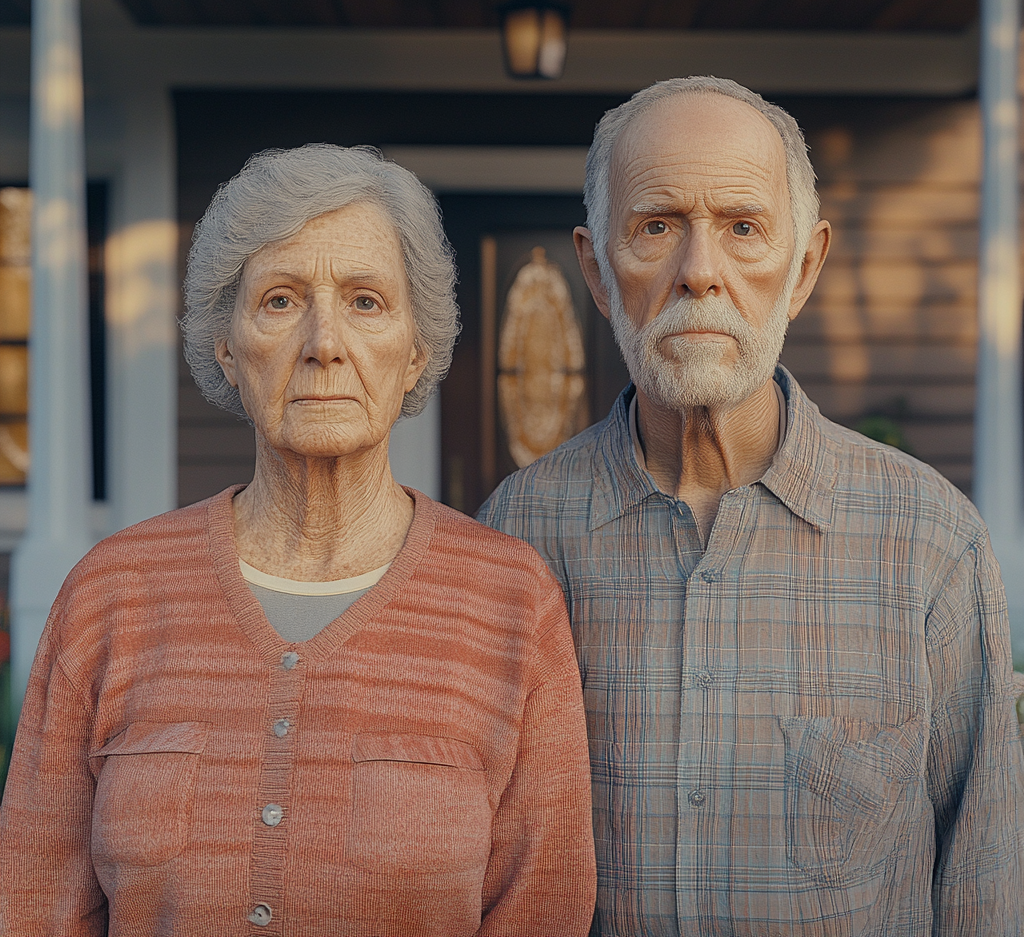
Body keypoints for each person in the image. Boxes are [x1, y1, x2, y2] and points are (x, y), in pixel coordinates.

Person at [0, 144, 596, 936]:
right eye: (280, 301)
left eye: (366, 301)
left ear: (416, 351)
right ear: (226, 345)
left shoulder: (510, 601)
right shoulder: (114, 592)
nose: (324, 342)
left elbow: (541, 909)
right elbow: (37, 904)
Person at [479, 77, 1024, 936]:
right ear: (595, 269)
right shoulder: (518, 533)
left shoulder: (927, 541)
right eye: (656, 227)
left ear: (803, 267)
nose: (701, 273)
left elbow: (986, 880)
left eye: (743, 229)